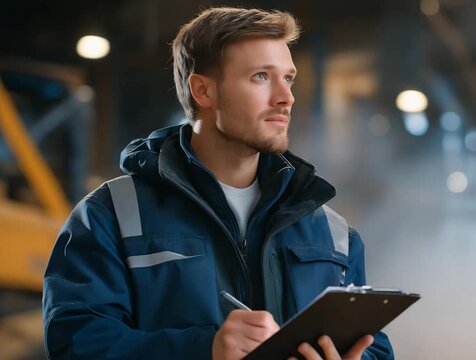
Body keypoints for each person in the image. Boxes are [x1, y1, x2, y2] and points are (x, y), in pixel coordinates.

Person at [42, 6, 393, 360]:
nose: (286, 97)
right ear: (203, 91)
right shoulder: (111, 216)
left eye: (288, 78)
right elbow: (76, 343)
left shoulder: (332, 233)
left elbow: (375, 349)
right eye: (260, 76)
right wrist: (203, 349)